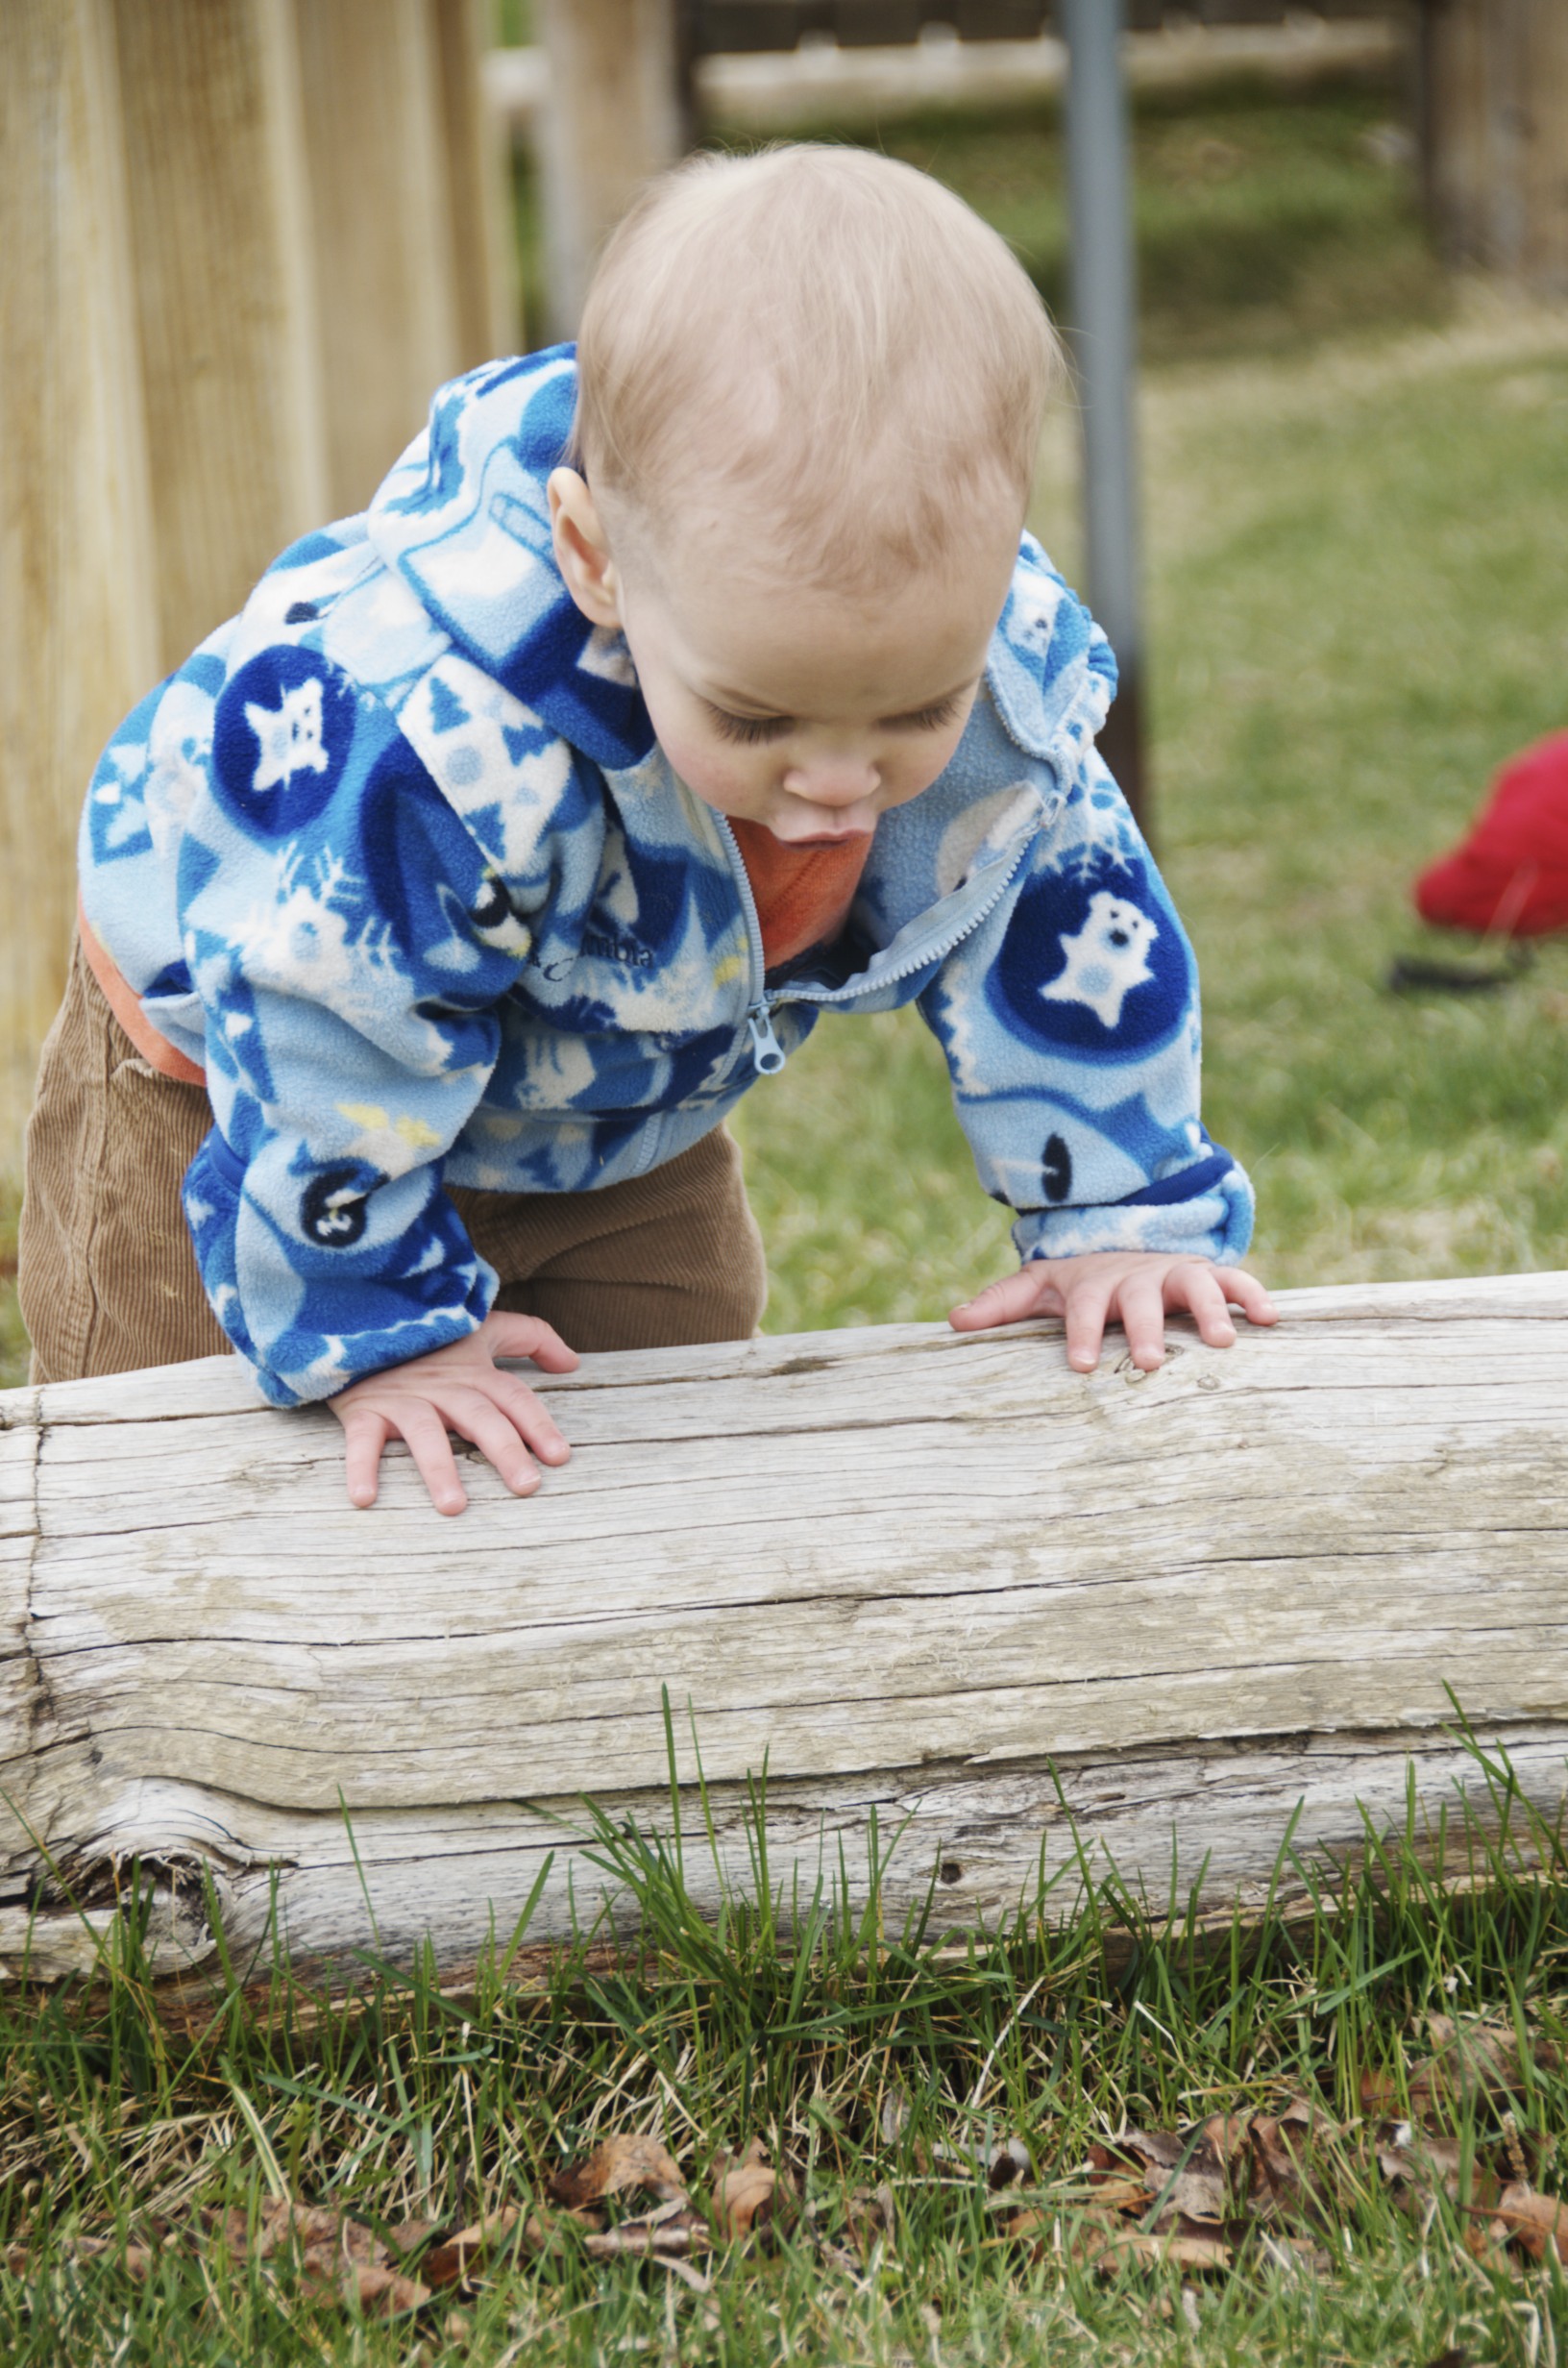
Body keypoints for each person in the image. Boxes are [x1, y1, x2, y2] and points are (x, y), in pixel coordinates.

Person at [19, 144, 1274, 1516]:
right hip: (241, 1080)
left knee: (670, 1456)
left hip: (600, 1113)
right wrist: (371, 1324)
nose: (839, 782)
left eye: (916, 708)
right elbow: (318, 1015)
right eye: (757, 717)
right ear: (595, 559)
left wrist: (1121, 1217)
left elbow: (1071, 928)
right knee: (194, 1470)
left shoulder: (993, 698)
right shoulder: (440, 741)